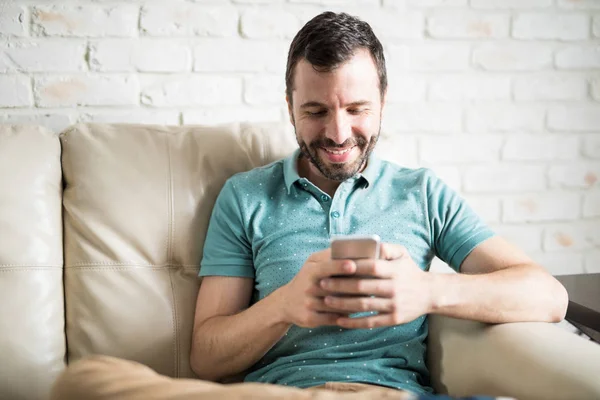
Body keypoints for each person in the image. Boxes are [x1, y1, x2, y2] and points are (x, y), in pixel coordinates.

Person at [50, 11, 568, 400]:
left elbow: (546, 297)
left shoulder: (421, 193)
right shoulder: (246, 196)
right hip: (277, 397)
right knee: (88, 381)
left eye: (358, 109)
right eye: (316, 110)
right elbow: (206, 356)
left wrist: (427, 290)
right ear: (290, 109)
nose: (338, 132)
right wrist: (284, 305)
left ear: (383, 103)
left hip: (387, 395)